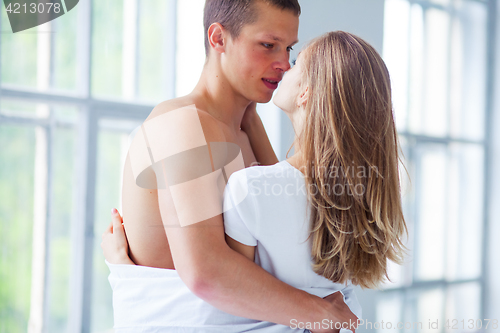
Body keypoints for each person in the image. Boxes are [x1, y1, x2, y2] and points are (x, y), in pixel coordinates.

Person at [101, 0, 360, 332]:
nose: (283, 63)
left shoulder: (244, 129)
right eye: (268, 45)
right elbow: (206, 272)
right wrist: (320, 314)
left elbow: (287, 229)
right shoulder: (181, 125)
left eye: (288, 48)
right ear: (218, 39)